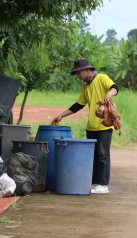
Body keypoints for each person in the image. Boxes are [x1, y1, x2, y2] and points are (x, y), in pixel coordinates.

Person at [51, 58, 119, 194]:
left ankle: (103, 185)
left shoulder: (102, 78)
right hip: (91, 127)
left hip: (104, 125)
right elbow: (78, 105)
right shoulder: (86, 86)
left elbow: (115, 88)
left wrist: (109, 94)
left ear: (87, 70)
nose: (78, 76)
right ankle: (95, 184)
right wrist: (61, 115)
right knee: (93, 156)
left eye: (79, 73)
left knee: (103, 155)